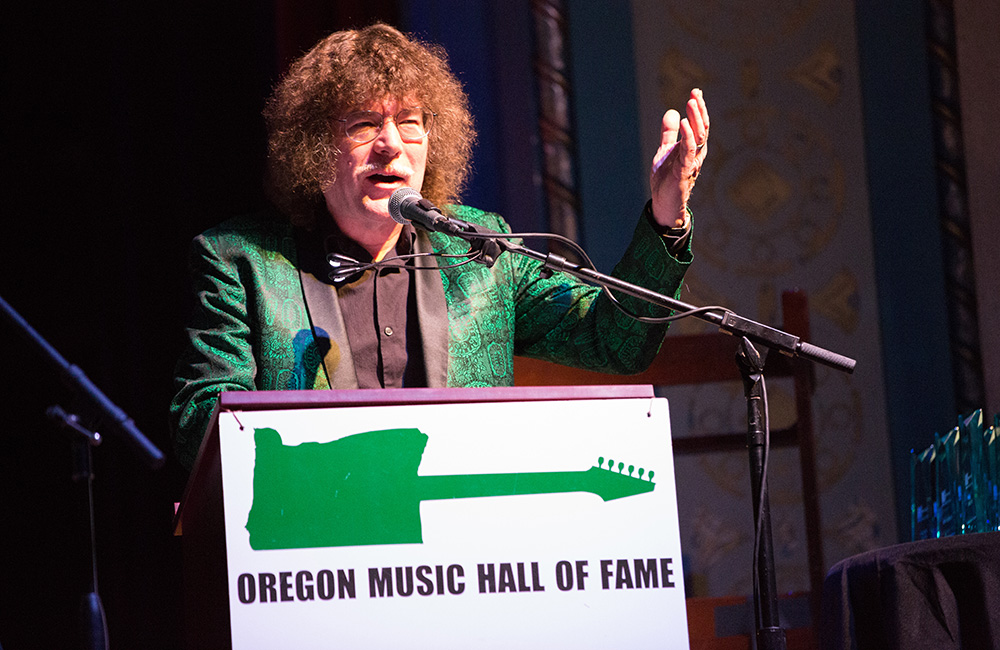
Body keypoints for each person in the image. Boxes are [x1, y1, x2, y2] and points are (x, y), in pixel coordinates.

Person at [169, 23, 710, 469]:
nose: (391, 144)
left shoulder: (482, 254)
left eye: (410, 122)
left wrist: (667, 215)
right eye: (364, 124)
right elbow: (202, 425)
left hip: (460, 554)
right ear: (315, 145)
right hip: (316, 551)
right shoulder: (242, 262)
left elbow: (616, 339)